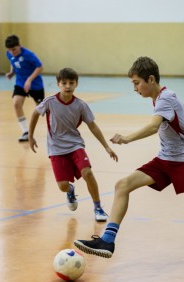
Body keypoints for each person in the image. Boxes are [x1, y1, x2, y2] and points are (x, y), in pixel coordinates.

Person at [74, 57, 184, 265]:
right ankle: (107, 240)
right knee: (123, 186)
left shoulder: (165, 98)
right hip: (165, 159)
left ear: (151, 79)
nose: (135, 88)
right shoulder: (163, 98)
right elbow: (182, 112)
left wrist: (126, 138)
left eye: (137, 83)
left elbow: (154, 126)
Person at [29, 68, 118, 222]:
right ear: (58, 84)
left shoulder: (80, 105)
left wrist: (106, 146)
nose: (68, 86)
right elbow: (36, 113)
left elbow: (93, 126)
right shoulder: (50, 102)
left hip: (75, 145)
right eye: (64, 83)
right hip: (56, 148)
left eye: (71, 83)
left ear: (76, 84)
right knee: (63, 185)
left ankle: (98, 208)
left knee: (87, 173)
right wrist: (30, 136)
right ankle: (70, 190)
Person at [5, 34, 45, 142]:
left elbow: (40, 67)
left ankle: (56, 131)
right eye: (10, 50)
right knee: (16, 104)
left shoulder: (29, 54)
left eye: (14, 49)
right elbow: (13, 62)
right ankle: (26, 132)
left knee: (42, 110)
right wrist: (12, 72)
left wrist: (29, 79)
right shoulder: (9, 54)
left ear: (19, 46)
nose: (12, 52)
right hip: (20, 83)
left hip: (35, 84)